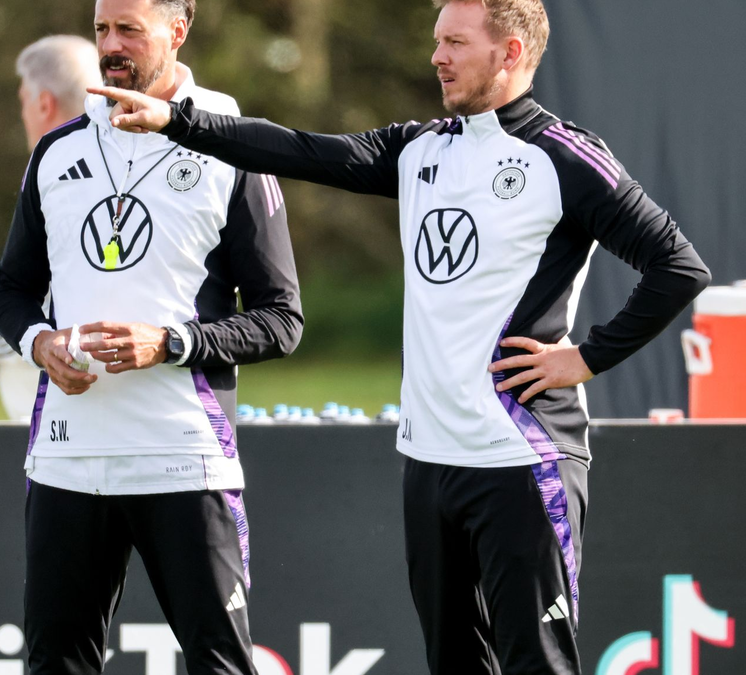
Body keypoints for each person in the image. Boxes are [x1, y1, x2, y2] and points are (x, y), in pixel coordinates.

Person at [90, 0, 712, 672]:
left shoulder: (563, 157)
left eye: (455, 42)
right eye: (436, 41)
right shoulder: (420, 148)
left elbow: (678, 266)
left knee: (537, 660)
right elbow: (301, 150)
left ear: (509, 52)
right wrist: (178, 121)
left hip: (525, 459)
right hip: (430, 460)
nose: (437, 57)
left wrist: (585, 358)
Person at [0, 0, 303, 672]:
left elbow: (282, 318)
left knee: (220, 663)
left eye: (129, 30)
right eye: (103, 29)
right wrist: (42, 344)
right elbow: (11, 293)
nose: (111, 46)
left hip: (184, 459)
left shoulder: (232, 141)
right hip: (67, 460)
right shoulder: (56, 151)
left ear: (178, 30)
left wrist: (169, 343)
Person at [0, 35, 100, 421]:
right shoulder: (92, 173)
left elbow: (73, 323)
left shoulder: (69, 184)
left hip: (70, 435)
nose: (22, 113)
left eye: (22, 100)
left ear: (43, 102)